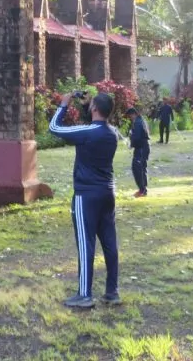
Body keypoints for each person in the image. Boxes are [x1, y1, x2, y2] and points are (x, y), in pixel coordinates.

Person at [49, 91, 120, 309]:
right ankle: (111, 291)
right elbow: (93, 123)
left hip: (86, 195)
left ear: (95, 109)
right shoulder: (112, 133)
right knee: (109, 243)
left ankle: (84, 294)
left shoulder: (89, 132)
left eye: (92, 106)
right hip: (107, 192)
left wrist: (63, 104)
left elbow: (54, 128)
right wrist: (89, 105)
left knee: (85, 243)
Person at [125, 106, 150, 197]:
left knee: (138, 168)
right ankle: (142, 189)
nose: (130, 118)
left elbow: (138, 137)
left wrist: (131, 144)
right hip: (141, 148)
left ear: (134, 114)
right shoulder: (139, 121)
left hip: (141, 148)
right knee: (140, 168)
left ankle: (142, 190)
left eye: (130, 116)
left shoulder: (138, 123)